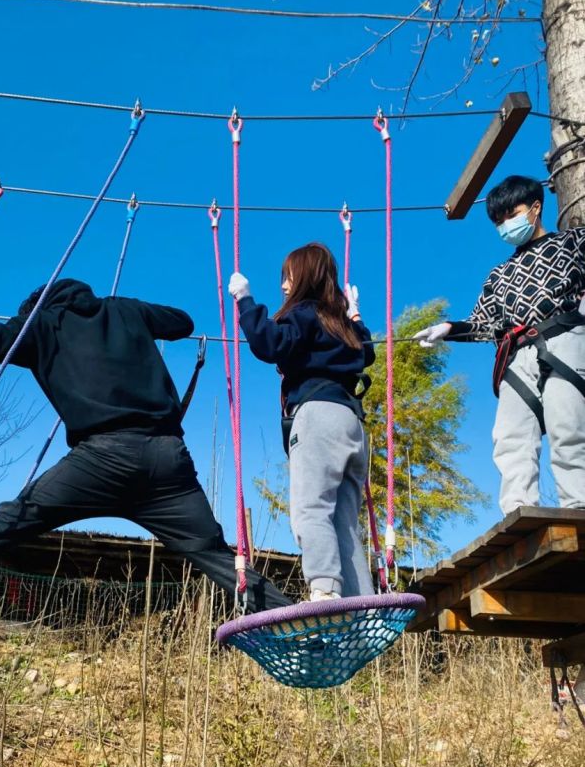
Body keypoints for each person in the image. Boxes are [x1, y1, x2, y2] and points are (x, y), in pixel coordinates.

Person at [0, 272, 293, 615]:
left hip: (100, 462)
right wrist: (132, 315)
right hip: (167, 461)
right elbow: (182, 322)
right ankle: (295, 625)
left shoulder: (41, 326)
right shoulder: (123, 309)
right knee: (217, 557)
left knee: (8, 523)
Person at [413, 174, 585, 516]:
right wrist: (448, 328)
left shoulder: (574, 243)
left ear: (535, 208)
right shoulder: (499, 275)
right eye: (499, 220)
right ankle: (519, 511)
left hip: (563, 339)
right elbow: (484, 322)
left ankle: (579, 504)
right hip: (516, 354)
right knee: (510, 437)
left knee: (569, 428)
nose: (506, 224)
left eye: (512, 214)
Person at [228, 242, 376, 602]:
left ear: (305, 277)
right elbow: (367, 351)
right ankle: (361, 604)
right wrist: (355, 315)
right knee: (342, 521)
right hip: (352, 423)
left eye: (289, 277)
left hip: (318, 418)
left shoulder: (305, 314)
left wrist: (245, 300)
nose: (283, 285)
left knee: (310, 510)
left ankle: (324, 589)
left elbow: (270, 344)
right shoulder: (340, 324)